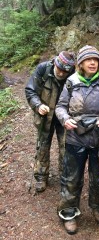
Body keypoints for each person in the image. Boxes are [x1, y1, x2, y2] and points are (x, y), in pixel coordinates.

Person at [55, 45, 99, 235]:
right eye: (88, 60)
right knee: (71, 178)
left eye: (96, 60)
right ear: (81, 64)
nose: (93, 63)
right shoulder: (71, 83)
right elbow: (60, 107)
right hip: (76, 139)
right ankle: (68, 212)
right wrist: (65, 119)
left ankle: (98, 206)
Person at [25, 51, 75, 193]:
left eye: (64, 71)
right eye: (59, 69)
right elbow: (30, 90)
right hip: (45, 115)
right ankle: (41, 176)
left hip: (65, 117)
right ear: (55, 63)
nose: (61, 73)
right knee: (42, 146)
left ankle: (65, 176)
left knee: (66, 147)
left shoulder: (73, 75)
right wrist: (38, 105)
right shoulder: (43, 69)